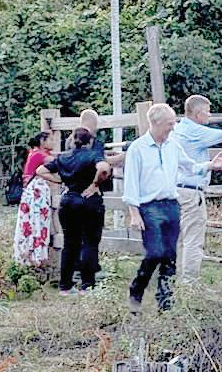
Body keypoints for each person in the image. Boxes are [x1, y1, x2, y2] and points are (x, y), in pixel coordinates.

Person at [123, 102, 184, 312]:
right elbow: (131, 182)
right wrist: (134, 213)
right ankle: (136, 289)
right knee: (155, 252)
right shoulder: (138, 148)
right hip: (149, 207)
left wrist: (210, 166)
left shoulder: (173, 146)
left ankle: (166, 302)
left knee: (170, 256)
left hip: (171, 205)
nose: (172, 128)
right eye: (169, 123)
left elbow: (188, 164)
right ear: (156, 123)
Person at [171, 94, 222, 280]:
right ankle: (189, 281)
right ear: (198, 114)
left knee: (178, 237)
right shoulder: (196, 132)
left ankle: (173, 277)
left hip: (175, 188)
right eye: (207, 111)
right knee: (193, 237)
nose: (210, 115)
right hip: (191, 190)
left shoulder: (177, 128)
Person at [50, 128, 110, 291]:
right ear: (89, 141)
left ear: (72, 140)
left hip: (68, 201)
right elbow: (103, 168)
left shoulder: (63, 157)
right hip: (89, 202)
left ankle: (65, 286)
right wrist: (95, 184)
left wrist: (59, 181)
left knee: (70, 244)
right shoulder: (92, 155)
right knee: (90, 243)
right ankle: (87, 285)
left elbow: (40, 170)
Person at [13, 130, 61, 269]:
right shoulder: (40, 155)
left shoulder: (35, 153)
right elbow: (58, 162)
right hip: (36, 193)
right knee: (37, 223)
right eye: (50, 140)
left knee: (32, 223)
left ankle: (30, 256)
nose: (53, 142)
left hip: (33, 192)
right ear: (42, 142)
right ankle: (36, 258)